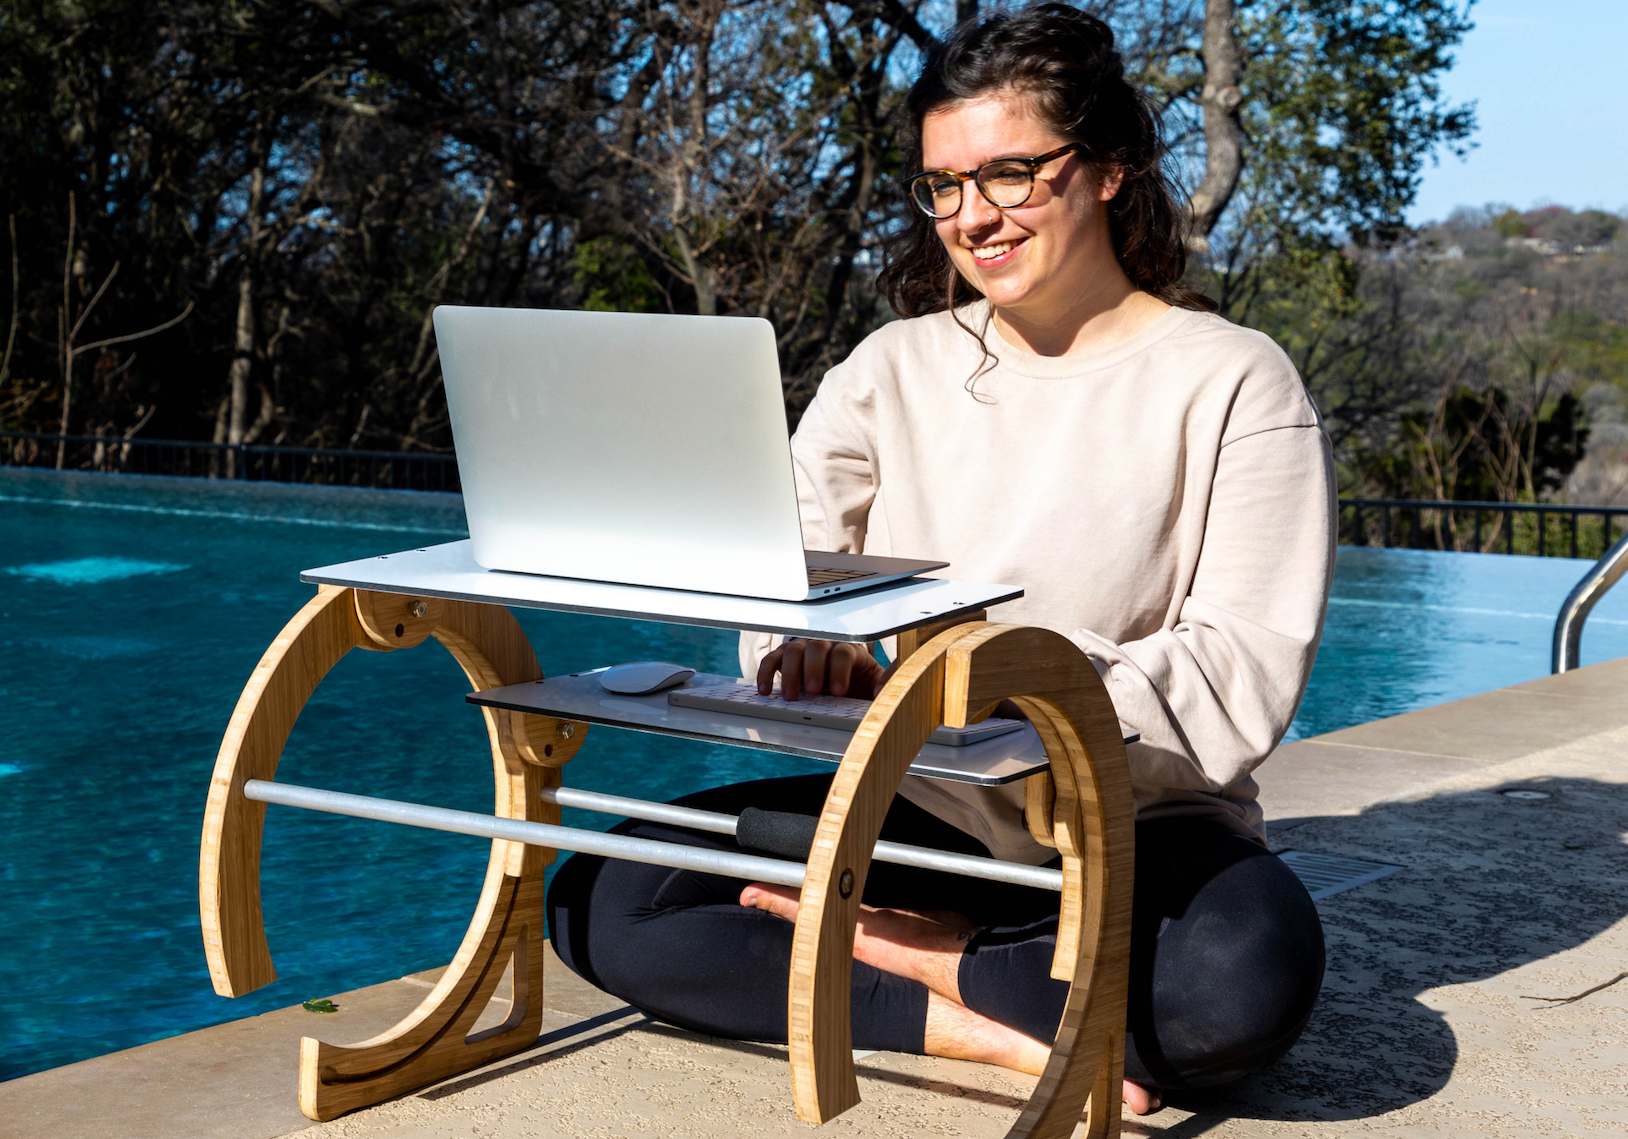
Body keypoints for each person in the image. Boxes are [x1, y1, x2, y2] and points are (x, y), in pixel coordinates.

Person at [547, 4, 1334, 1115]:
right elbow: (782, 571)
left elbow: (1239, 666)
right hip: (922, 801)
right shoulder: (888, 368)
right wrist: (805, 654)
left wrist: (1018, 705)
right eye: (944, 184)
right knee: (602, 895)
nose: (972, 216)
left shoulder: (1233, 381)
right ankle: (977, 1016)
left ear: (1107, 166)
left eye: (1010, 175)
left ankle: (931, 954)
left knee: (1232, 990)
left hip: (1132, 821)